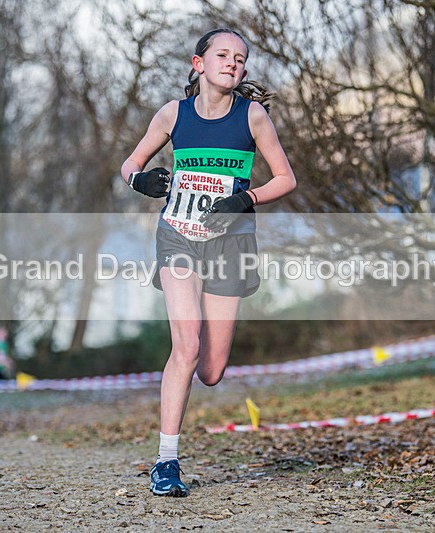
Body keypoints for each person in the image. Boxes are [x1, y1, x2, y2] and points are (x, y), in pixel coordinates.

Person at [121, 28, 297, 497]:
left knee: (211, 369)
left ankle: (194, 378)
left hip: (230, 243)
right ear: (198, 64)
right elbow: (129, 164)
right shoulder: (172, 114)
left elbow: (286, 178)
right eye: (223, 55)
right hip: (177, 236)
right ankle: (165, 462)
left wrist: (247, 198)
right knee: (186, 345)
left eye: (240, 58)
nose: (233, 63)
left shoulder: (252, 116)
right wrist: (141, 180)